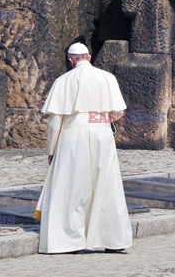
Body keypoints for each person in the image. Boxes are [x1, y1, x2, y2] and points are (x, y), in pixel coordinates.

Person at [33, 42, 132, 254]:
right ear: (89, 56)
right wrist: (101, 121)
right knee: (107, 185)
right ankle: (114, 240)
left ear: (70, 60)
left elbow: (55, 121)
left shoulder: (63, 80)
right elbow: (118, 114)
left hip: (73, 134)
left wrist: (51, 151)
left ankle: (71, 242)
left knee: (72, 187)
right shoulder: (108, 78)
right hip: (102, 133)